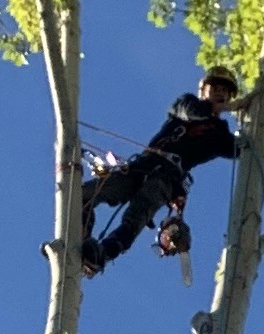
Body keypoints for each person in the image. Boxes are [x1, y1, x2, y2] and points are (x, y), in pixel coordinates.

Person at [80, 67, 243, 275]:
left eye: (225, 91)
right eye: (216, 88)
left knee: (136, 218)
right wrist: (229, 107)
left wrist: (261, 113)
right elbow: (195, 112)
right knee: (88, 193)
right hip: (142, 165)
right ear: (204, 90)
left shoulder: (219, 134)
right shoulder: (186, 104)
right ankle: (80, 237)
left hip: (167, 177)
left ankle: (100, 255)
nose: (220, 93)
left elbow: (238, 149)